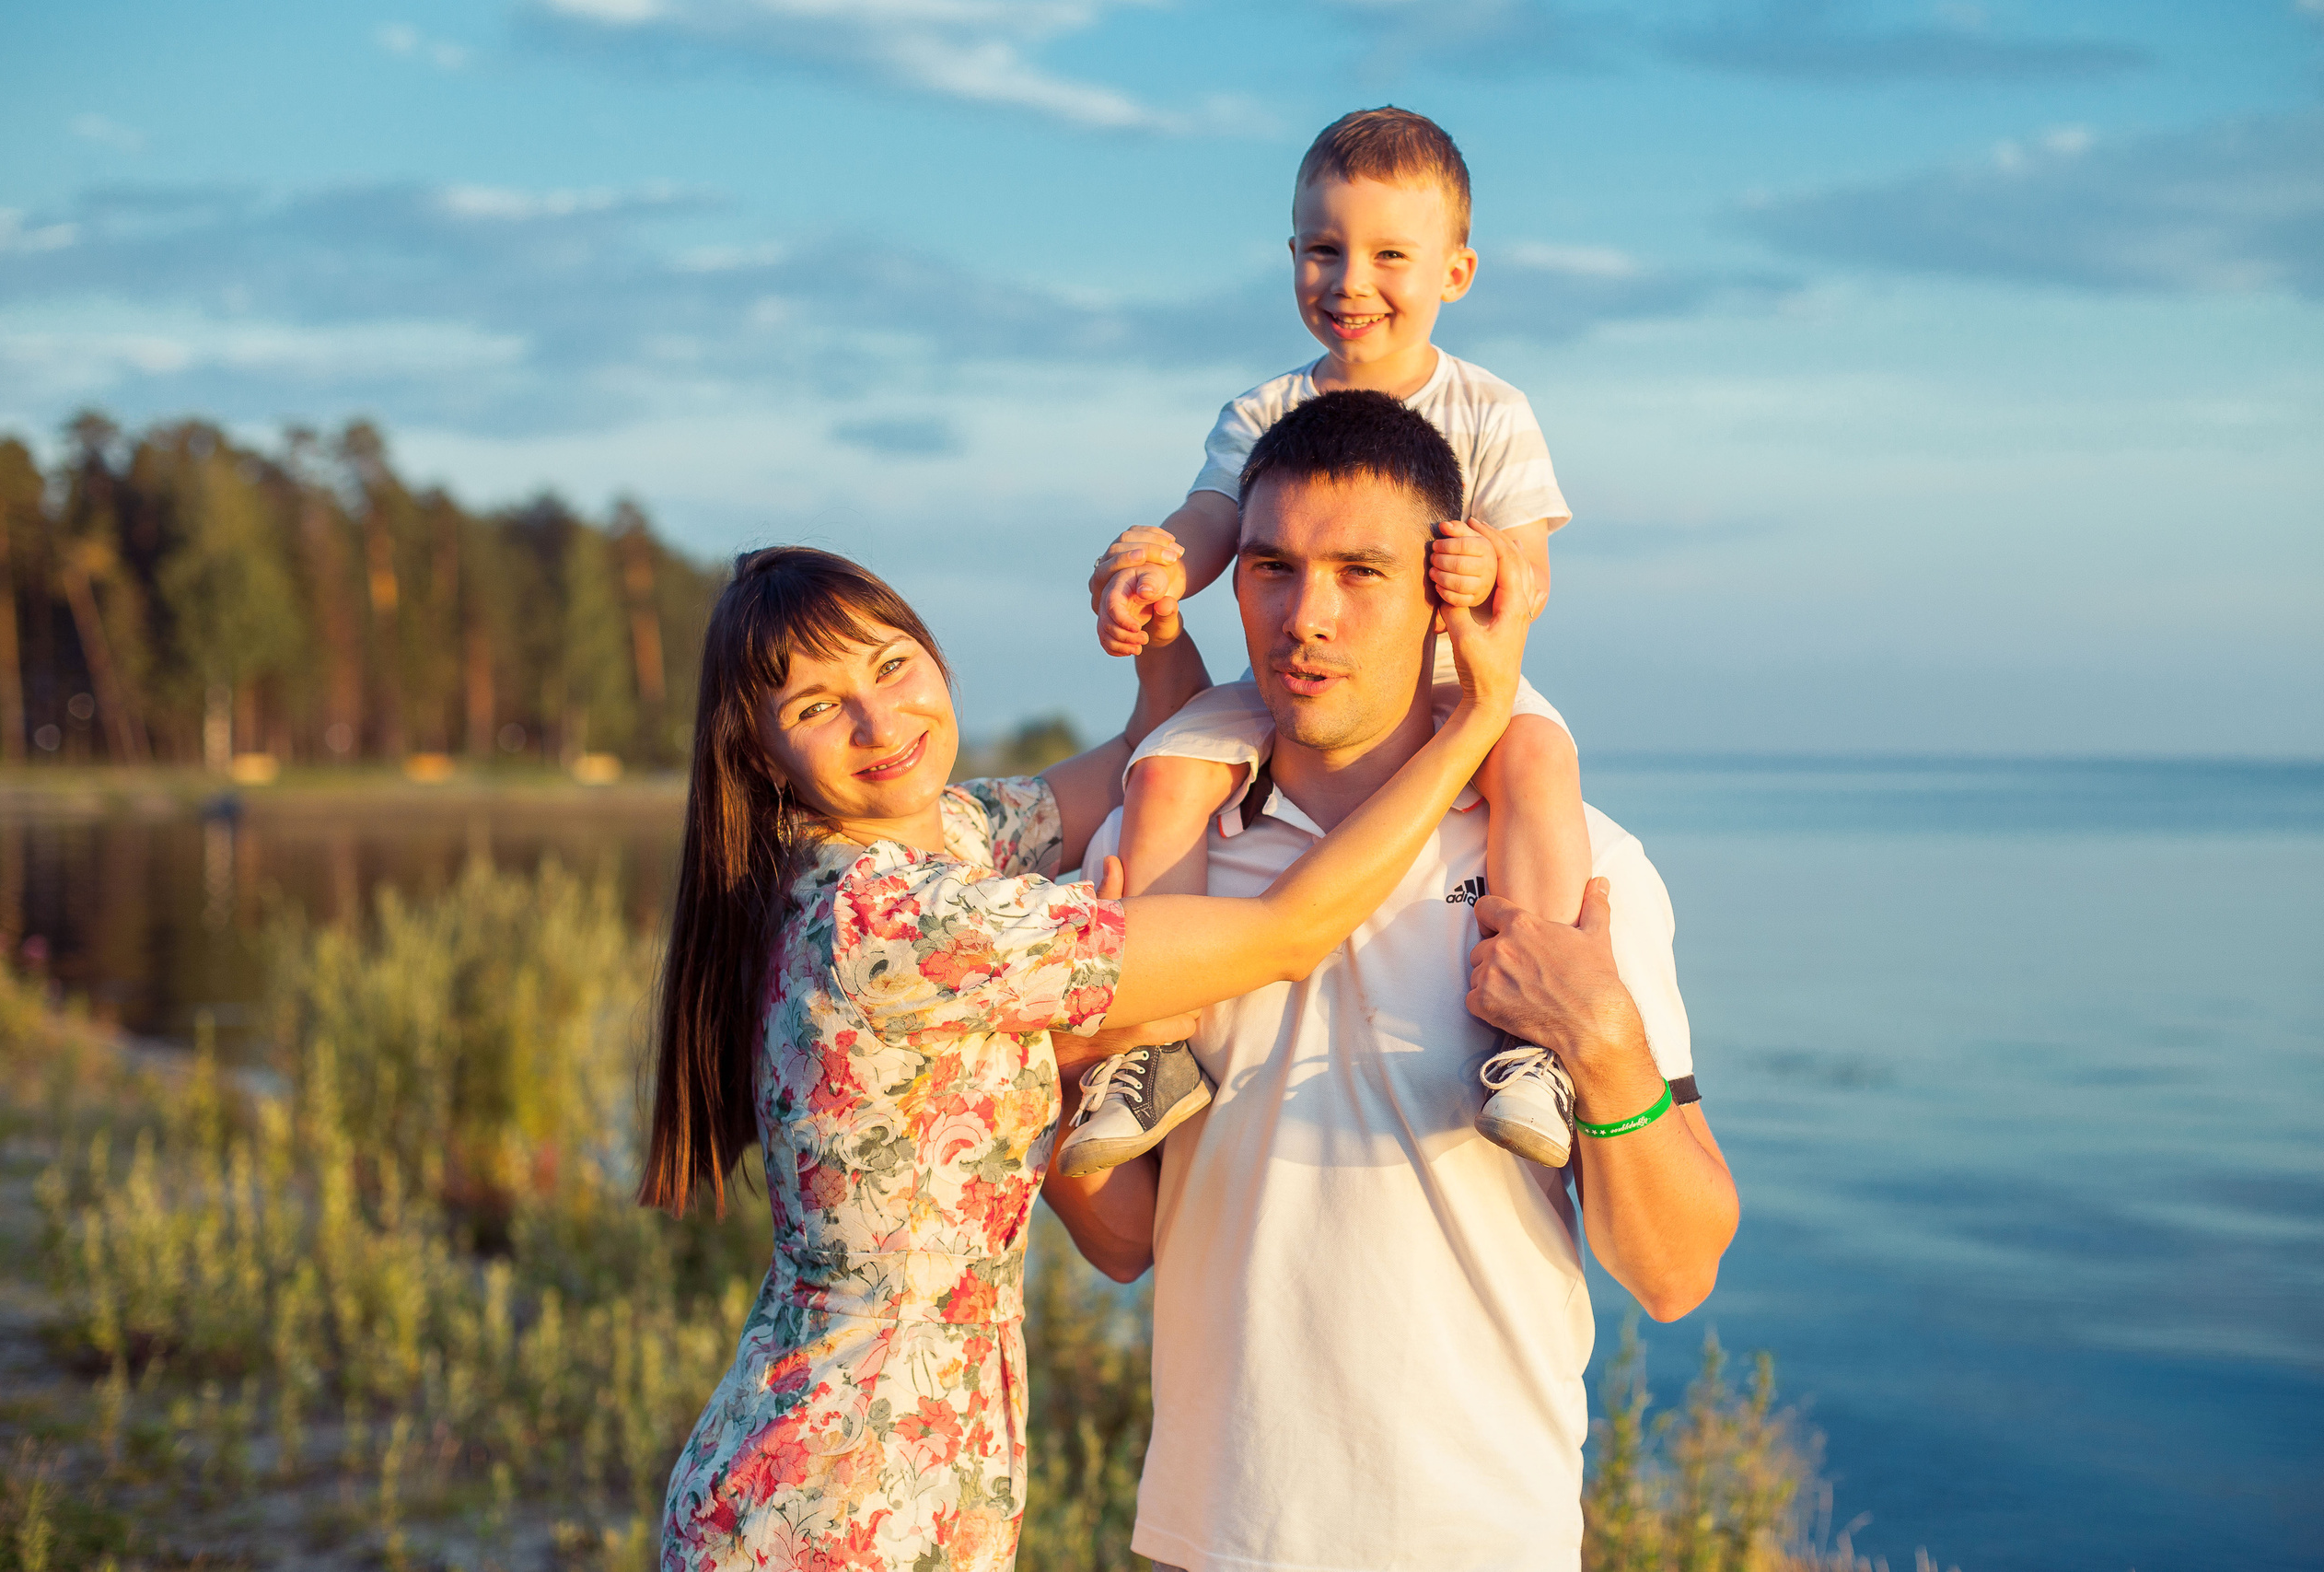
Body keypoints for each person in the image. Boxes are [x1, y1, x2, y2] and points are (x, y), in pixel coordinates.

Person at [645, 538, 1537, 1570]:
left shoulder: (952, 839)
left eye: (891, 666)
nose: (880, 722)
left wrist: (1157, 628)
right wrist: (1475, 720)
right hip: (840, 1501)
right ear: (760, 754)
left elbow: (1150, 751)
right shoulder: (889, 918)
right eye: (816, 707)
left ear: (934, 658)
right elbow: (1291, 931)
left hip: (887, 1468)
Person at [1043, 391, 1741, 1572]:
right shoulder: (1161, 850)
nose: (1304, 617)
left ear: (1441, 594)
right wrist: (1057, 1071)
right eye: (1270, 568)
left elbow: (1675, 1274)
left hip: (1482, 1539)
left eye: (1359, 572)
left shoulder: (1577, 865)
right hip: (1210, 1535)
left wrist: (1604, 1043)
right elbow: (1121, 1243)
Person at [1061, 105, 1590, 1180]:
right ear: (1292, 256)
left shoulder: (1490, 411)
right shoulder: (1264, 410)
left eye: (1390, 255)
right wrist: (1158, 569)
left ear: (1456, 272)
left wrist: (1490, 564)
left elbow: (1532, 568)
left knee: (1536, 756)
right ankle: (1155, 1042)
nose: (1351, 281)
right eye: (1323, 250)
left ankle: (1533, 1042)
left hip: (1453, 680)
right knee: (1164, 771)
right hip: (1300, 684)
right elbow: (1214, 518)